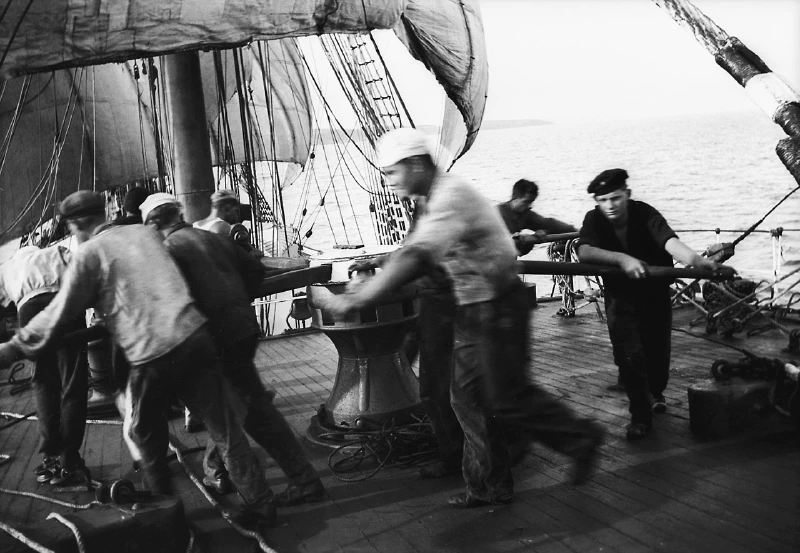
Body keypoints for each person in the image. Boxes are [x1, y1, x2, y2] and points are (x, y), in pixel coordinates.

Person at [322, 128, 603, 508]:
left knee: (505, 398)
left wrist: (359, 298)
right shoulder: (431, 199)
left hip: (498, 308)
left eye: (391, 172)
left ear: (416, 163)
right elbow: (414, 250)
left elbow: (418, 256)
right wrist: (380, 266)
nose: (388, 182)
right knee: (466, 400)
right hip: (472, 309)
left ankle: (581, 438)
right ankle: (488, 485)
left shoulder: (450, 196)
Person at [0, 191, 276, 527]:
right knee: (224, 429)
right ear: (103, 212)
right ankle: (261, 504)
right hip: (194, 336)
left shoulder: (89, 254)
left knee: (145, 433)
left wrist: (14, 347)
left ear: (75, 224)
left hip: (152, 352)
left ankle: (167, 514)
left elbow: (59, 312)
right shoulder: (146, 233)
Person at [140, 193, 326, 506]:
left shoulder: (168, 249)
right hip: (243, 329)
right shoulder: (213, 237)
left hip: (213, 338)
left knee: (236, 414)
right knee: (243, 406)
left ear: (153, 224)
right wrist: (237, 301)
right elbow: (254, 269)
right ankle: (222, 469)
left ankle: (288, 483)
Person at [577, 168, 722, 441]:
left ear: (627, 194)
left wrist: (697, 261)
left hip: (654, 295)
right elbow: (584, 250)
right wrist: (623, 259)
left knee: (657, 353)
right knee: (628, 356)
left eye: (616, 198)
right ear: (597, 202)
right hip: (620, 299)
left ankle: (656, 392)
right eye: (603, 200)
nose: (610, 205)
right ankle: (640, 416)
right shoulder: (593, 219)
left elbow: (669, 242)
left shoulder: (645, 213)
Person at [0, 244, 88, 485]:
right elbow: (82, 272)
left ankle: (50, 457)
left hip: (28, 308)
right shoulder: (57, 251)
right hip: (64, 300)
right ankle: (69, 461)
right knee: (73, 382)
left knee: (43, 381)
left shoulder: (9, 266)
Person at [497, 178, 576, 256]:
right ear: (515, 198)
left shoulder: (525, 214)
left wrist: (575, 231)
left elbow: (550, 224)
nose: (530, 206)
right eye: (526, 202)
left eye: (531, 202)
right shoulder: (497, 214)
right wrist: (525, 239)